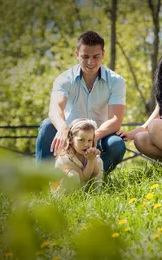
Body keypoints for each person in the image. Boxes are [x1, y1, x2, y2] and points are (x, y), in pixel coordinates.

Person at [35, 31, 126, 173]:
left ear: (103, 53)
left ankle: (92, 179)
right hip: (70, 136)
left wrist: (92, 137)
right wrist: (63, 128)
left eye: (96, 56)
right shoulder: (63, 79)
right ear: (77, 54)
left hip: (99, 136)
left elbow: (115, 120)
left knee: (117, 144)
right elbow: (55, 108)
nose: (91, 62)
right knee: (47, 125)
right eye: (85, 57)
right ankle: (44, 180)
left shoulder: (116, 81)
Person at [52, 118, 103, 192]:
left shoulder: (88, 153)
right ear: (71, 140)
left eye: (89, 140)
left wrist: (93, 158)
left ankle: (96, 192)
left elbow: (96, 172)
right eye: (81, 140)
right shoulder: (65, 159)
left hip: (81, 185)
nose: (86, 144)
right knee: (73, 175)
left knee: (99, 161)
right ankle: (65, 199)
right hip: (63, 189)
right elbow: (84, 177)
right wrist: (91, 160)